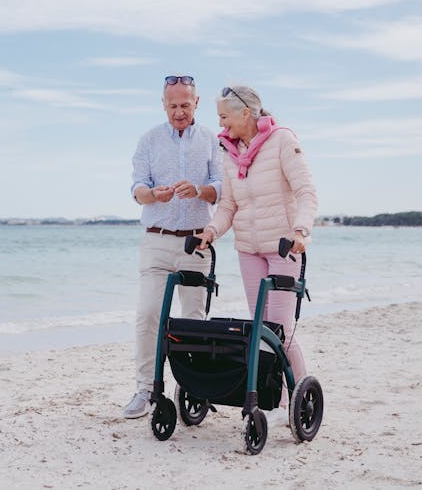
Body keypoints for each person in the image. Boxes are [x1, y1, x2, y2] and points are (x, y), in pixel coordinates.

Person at [196, 85, 318, 424]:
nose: (221, 123)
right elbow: (229, 205)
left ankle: (294, 400)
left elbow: (306, 192)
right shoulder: (229, 150)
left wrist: (301, 231)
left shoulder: (282, 140)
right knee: (260, 329)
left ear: (245, 114)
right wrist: (211, 232)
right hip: (248, 249)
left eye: (224, 116)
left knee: (280, 330)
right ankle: (271, 397)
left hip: (283, 247)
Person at [124, 74, 223, 419]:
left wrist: (199, 190)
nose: (179, 111)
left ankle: (193, 388)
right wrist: (152, 195)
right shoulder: (148, 140)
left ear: (196, 103)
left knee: (193, 320)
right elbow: (137, 187)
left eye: (185, 105)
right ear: (163, 105)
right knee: (149, 313)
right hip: (156, 240)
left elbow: (221, 188)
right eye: (173, 105)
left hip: (196, 242)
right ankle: (145, 389)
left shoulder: (212, 140)